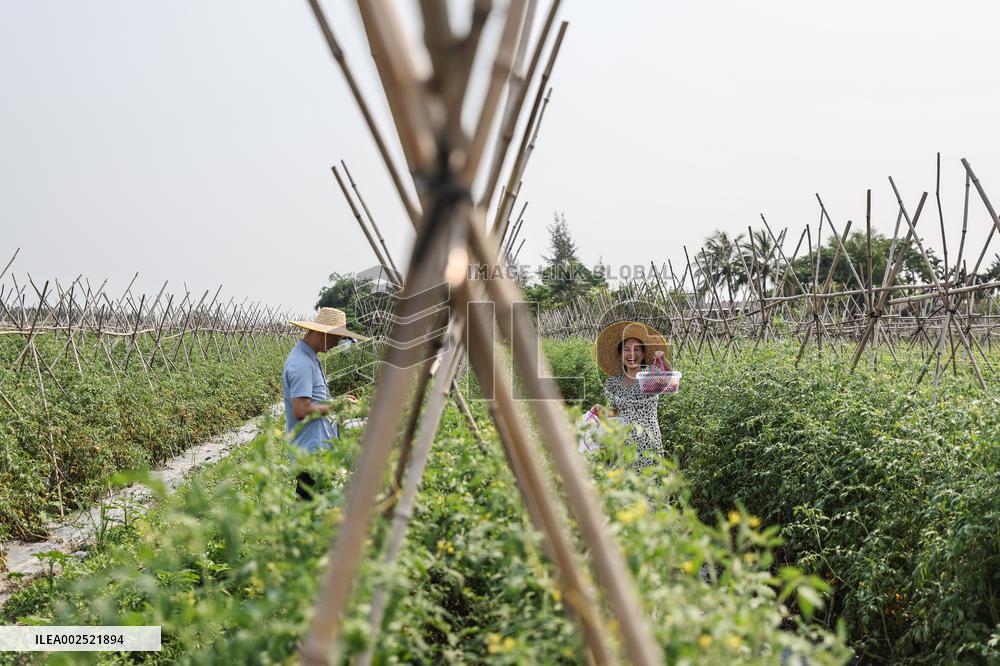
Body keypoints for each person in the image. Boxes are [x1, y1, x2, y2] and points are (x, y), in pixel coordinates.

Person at [285, 307, 368, 498]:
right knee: (312, 513)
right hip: (312, 454)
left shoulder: (309, 358)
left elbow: (312, 400)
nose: (337, 343)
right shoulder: (302, 363)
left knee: (311, 511)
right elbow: (300, 409)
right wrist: (337, 406)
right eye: (336, 337)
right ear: (321, 333)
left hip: (318, 451)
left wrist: (338, 402)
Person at [592, 321, 671, 473]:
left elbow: (669, 380)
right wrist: (601, 409)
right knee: (623, 488)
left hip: (647, 441)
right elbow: (614, 413)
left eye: (637, 350)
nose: (632, 354)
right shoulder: (613, 382)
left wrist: (664, 360)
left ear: (643, 353)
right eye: (626, 350)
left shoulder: (650, 374)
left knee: (648, 486)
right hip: (620, 443)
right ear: (620, 354)